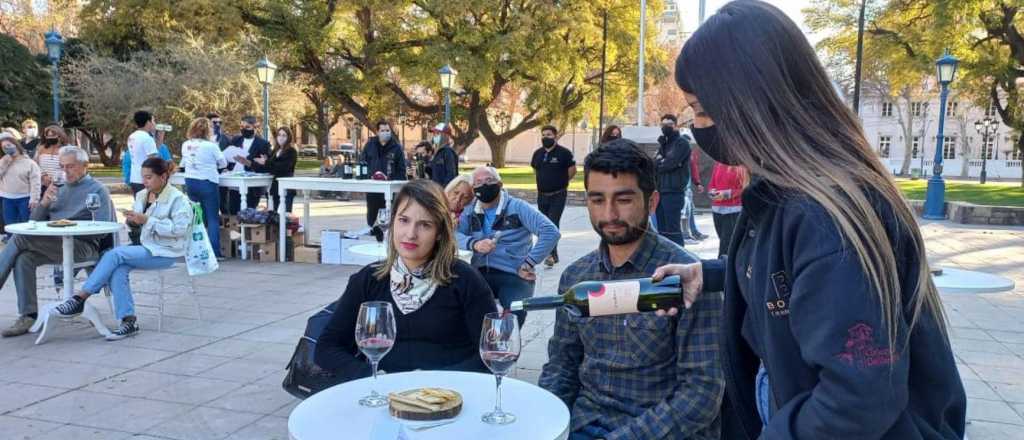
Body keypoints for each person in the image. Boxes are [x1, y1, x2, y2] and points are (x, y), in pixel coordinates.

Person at [654, 2, 966, 438]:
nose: (700, 128)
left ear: (751, 104)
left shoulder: (821, 214)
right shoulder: (791, 191)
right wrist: (708, 275)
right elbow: (797, 276)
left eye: (703, 111)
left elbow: (855, 399)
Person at [539, 139, 723, 440]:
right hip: (584, 423)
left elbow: (701, 394)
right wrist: (544, 422)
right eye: (597, 200)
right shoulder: (576, 276)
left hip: (659, 431)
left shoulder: (689, 278)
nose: (609, 214)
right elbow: (562, 364)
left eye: (623, 200)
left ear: (651, 202)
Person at [316, 179, 497, 381]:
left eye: (425, 225)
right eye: (404, 220)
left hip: (448, 397)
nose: (411, 234)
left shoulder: (466, 281)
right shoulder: (369, 279)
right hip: (384, 394)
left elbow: (490, 354)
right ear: (392, 222)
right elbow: (327, 348)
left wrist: (432, 384)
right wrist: (372, 376)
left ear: (439, 233)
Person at [53, 157, 192, 340]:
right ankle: (128, 320)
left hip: (166, 251)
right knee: (118, 268)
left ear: (164, 176)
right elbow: (138, 228)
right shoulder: (142, 195)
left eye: (149, 177)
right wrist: (133, 222)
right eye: (143, 177)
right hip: (144, 247)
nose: (144, 181)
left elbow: (179, 231)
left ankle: (79, 298)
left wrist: (147, 220)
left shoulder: (178, 199)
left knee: (115, 254)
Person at [0, 146, 113, 337]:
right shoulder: (56, 187)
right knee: (24, 259)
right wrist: (44, 201)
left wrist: (72, 227)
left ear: (85, 166)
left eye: (70, 166)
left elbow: (104, 229)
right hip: (56, 245)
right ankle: (28, 315)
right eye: (62, 166)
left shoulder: (97, 190)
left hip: (83, 246)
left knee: (20, 238)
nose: (65, 171)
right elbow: (33, 223)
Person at [457, 166, 559, 326]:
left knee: (514, 312)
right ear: (473, 188)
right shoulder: (470, 210)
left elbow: (550, 231)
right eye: (478, 182)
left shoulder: (517, 207)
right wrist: (474, 244)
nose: (484, 185)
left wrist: (529, 262)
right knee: (465, 312)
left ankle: (506, 347)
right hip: (479, 272)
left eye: (489, 180)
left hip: (513, 273)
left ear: (500, 184)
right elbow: (453, 235)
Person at [181, 117, 228, 259]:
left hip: (191, 182)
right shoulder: (211, 146)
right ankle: (214, 251)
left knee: (196, 217)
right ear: (208, 130)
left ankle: (195, 249)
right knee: (212, 218)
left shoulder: (186, 144)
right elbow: (223, 163)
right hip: (207, 182)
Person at [531, 125, 576, 268]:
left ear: (555, 136)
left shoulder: (564, 153)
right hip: (542, 195)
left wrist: (560, 182)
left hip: (558, 195)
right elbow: (535, 169)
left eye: (549, 135)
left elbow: (572, 170)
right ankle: (548, 253)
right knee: (544, 225)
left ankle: (552, 255)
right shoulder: (537, 153)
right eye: (543, 135)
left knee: (552, 223)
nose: (546, 137)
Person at [360, 119, 406, 241]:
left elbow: (402, 171)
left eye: (387, 130)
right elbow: (362, 163)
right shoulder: (370, 145)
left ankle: (388, 243)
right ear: (377, 132)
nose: (385, 132)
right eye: (382, 130)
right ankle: (378, 240)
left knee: (388, 219)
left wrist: (390, 179)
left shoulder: (396, 148)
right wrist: (369, 175)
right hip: (373, 189)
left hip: (389, 192)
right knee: (372, 218)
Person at [653, 114, 692, 248]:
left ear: (676, 125)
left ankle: (679, 260)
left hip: (674, 192)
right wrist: (660, 162)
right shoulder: (663, 144)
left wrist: (661, 162)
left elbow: (670, 163)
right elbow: (655, 163)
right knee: (662, 231)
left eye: (669, 123)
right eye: (663, 124)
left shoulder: (682, 143)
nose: (665, 126)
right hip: (661, 191)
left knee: (673, 231)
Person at [227, 115, 272, 212]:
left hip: (252, 187)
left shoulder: (263, 144)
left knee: (248, 214)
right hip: (235, 183)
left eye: (247, 127)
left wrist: (250, 163)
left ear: (255, 127)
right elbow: (229, 156)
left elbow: (266, 167)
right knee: (233, 211)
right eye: (242, 127)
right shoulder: (236, 140)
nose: (244, 129)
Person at [0, 134, 41, 238]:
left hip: (25, 199)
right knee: (10, 226)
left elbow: (35, 182)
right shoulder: (3, 161)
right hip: (7, 198)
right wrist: (4, 164)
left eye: (9, 145)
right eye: (4, 147)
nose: (6, 149)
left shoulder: (29, 163)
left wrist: (34, 198)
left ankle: (27, 247)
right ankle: (11, 247)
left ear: (16, 145)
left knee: (26, 225)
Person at [250, 126, 298, 213]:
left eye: (284, 135)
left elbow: (282, 167)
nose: (281, 137)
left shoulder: (291, 151)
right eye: (279, 135)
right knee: (274, 216)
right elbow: (269, 167)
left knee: (285, 216)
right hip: (275, 188)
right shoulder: (275, 151)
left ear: (289, 137)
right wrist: (253, 163)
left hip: (286, 187)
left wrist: (266, 162)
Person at [708, 163, 747, 258]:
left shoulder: (742, 166)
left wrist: (726, 194)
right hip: (717, 210)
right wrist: (712, 192)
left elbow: (745, 188)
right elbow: (711, 184)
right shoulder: (718, 163)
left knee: (725, 247)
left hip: (734, 210)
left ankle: (721, 270)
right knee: (724, 242)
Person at [127, 111, 159, 195]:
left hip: (134, 178)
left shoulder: (132, 136)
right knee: (149, 207)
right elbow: (153, 161)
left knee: (139, 206)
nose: (154, 123)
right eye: (153, 121)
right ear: (148, 122)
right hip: (146, 180)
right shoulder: (147, 138)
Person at [682, 144, 708, 242]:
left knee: (689, 212)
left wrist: (698, 183)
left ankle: (693, 233)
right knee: (685, 213)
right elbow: (694, 169)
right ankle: (687, 235)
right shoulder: (684, 155)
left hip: (686, 189)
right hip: (683, 189)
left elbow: (693, 169)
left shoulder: (688, 155)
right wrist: (697, 183)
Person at [35, 125, 65, 193]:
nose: (50, 138)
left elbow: (68, 167)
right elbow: (35, 165)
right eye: (48, 136)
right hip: (43, 185)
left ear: (60, 136)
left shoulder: (66, 149)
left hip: (61, 185)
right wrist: (43, 176)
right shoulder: (41, 148)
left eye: (53, 135)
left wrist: (56, 179)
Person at [426, 123, 459, 187]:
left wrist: (443, 191)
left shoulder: (448, 152)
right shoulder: (437, 152)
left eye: (438, 133)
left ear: (446, 135)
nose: (435, 136)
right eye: (434, 134)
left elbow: (451, 175)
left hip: (444, 192)